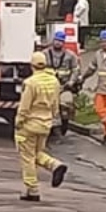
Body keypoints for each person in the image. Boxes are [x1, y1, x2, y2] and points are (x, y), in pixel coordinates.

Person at [15, 51, 68, 202]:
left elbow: (24, 106)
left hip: (30, 124)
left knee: (27, 158)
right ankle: (55, 165)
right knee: (37, 153)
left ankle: (32, 190)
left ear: (32, 65)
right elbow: (55, 106)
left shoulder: (30, 83)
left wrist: (19, 122)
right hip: (45, 123)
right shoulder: (54, 81)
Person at [82, 29, 106, 142]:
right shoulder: (98, 54)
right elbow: (91, 68)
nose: (104, 44)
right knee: (100, 109)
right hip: (100, 87)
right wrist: (83, 77)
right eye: (102, 41)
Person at [45, 29, 80, 134]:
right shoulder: (44, 54)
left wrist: (72, 81)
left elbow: (76, 70)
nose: (57, 42)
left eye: (60, 41)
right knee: (47, 106)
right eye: (56, 40)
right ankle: (49, 127)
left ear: (63, 42)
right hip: (48, 86)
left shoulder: (71, 55)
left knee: (66, 104)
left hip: (64, 86)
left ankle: (65, 123)